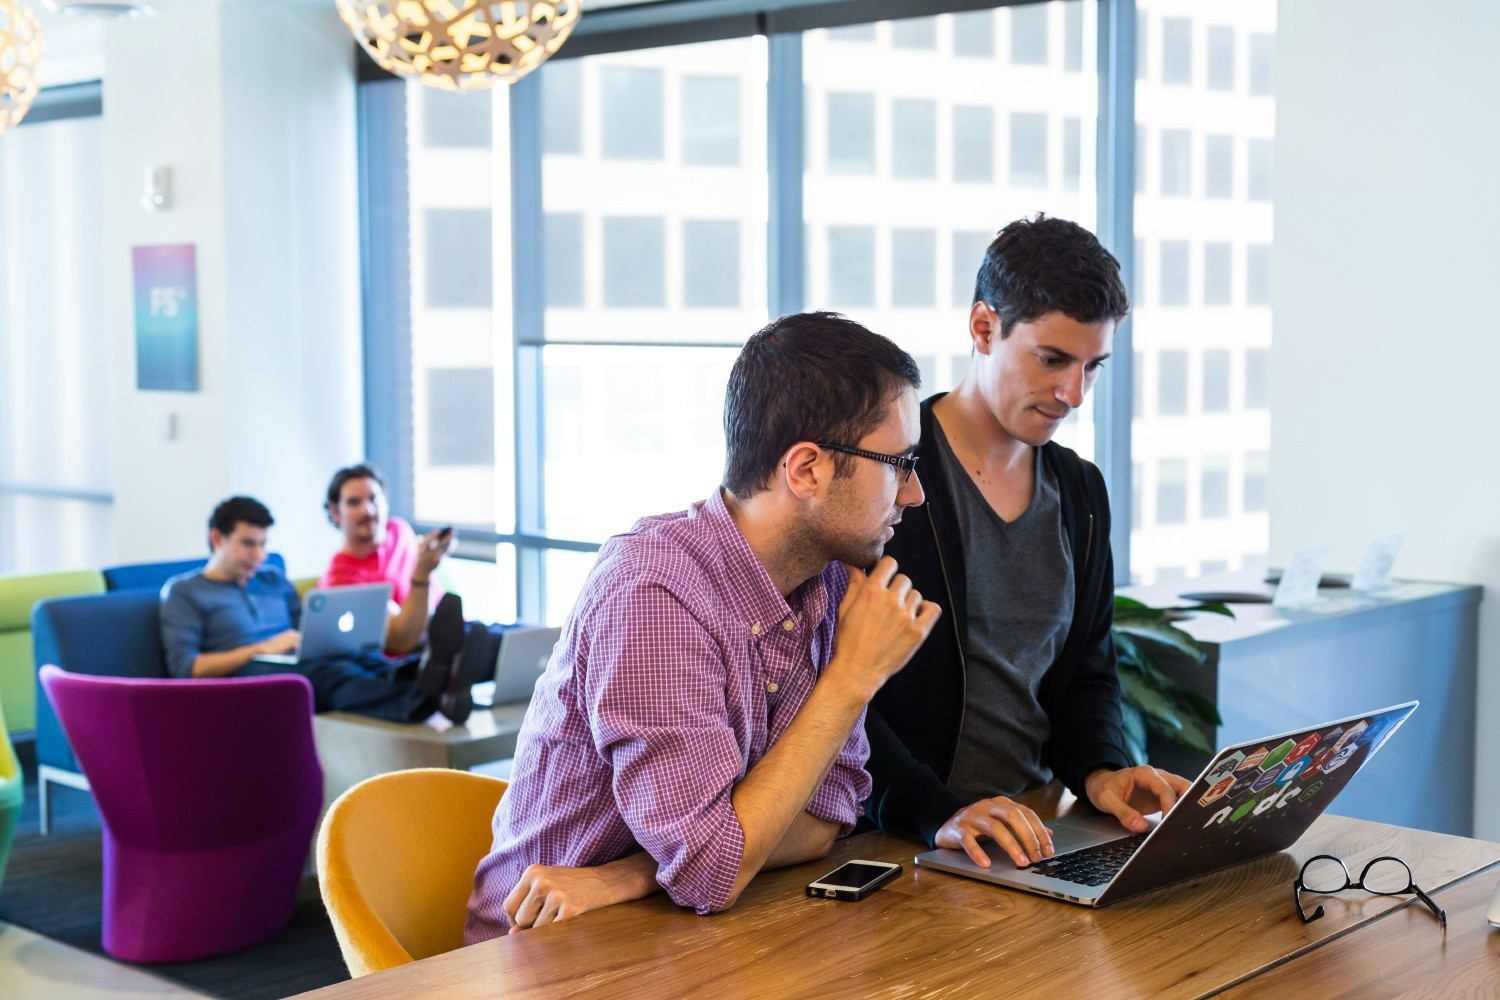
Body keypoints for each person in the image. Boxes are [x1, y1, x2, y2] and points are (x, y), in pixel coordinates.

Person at [463, 312, 941, 941]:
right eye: (898, 463)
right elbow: (712, 871)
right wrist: (853, 676)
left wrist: (633, 875)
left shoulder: (825, 583)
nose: (914, 494)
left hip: (673, 929)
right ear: (806, 470)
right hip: (542, 952)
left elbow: (830, 815)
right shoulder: (655, 595)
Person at [864, 215, 1190, 872]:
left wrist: (1100, 771)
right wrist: (937, 812)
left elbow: (1087, 676)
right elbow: (838, 691)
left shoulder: (1080, 492)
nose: (1073, 393)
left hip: (1031, 836)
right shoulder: (888, 476)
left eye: (1093, 367)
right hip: (902, 840)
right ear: (984, 328)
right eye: (1052, 360)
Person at [159, 495, 486, 724]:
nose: (258, 555)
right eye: (248, 543)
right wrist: (260, 648)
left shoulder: (272, 580)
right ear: (217, 538)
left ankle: (435, 677)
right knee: (328, 675)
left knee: (359, 658)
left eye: (263, 544)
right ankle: (419, 700)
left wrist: (327, 638)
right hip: (241, 681)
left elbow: (306, 629)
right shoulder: (184, 592)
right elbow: (187, 669)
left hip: (290, 660)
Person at [321, 464, 453, 655]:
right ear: (335, 512)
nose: (368, 510)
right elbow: (402, 639)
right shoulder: (340, 580)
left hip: (445, 625)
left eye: (374, 499)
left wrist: (431, 555)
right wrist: (422, 574)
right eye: (354, 502)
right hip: (411, 659)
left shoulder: (399, 530)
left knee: (504, 636)